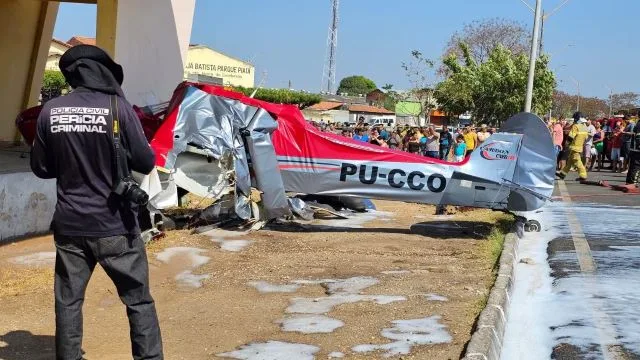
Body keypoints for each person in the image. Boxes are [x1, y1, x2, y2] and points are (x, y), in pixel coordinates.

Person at [30, 45, 163, 359]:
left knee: (68, 301)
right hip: (115, 225)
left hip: (70, 225)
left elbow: (41, 167)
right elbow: (146, 161)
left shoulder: (51, 110)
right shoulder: (117, 107)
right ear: (103, 72)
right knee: (138, 301)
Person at [556, 112, 589, 181]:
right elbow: (586, 138)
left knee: (577, 162)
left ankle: (583, 175)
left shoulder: (576, 126)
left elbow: (571, 137)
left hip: (574, 147)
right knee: (569, 162)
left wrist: (566, 144)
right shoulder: (585, 127)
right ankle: (562, 174)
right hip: (579, 147)